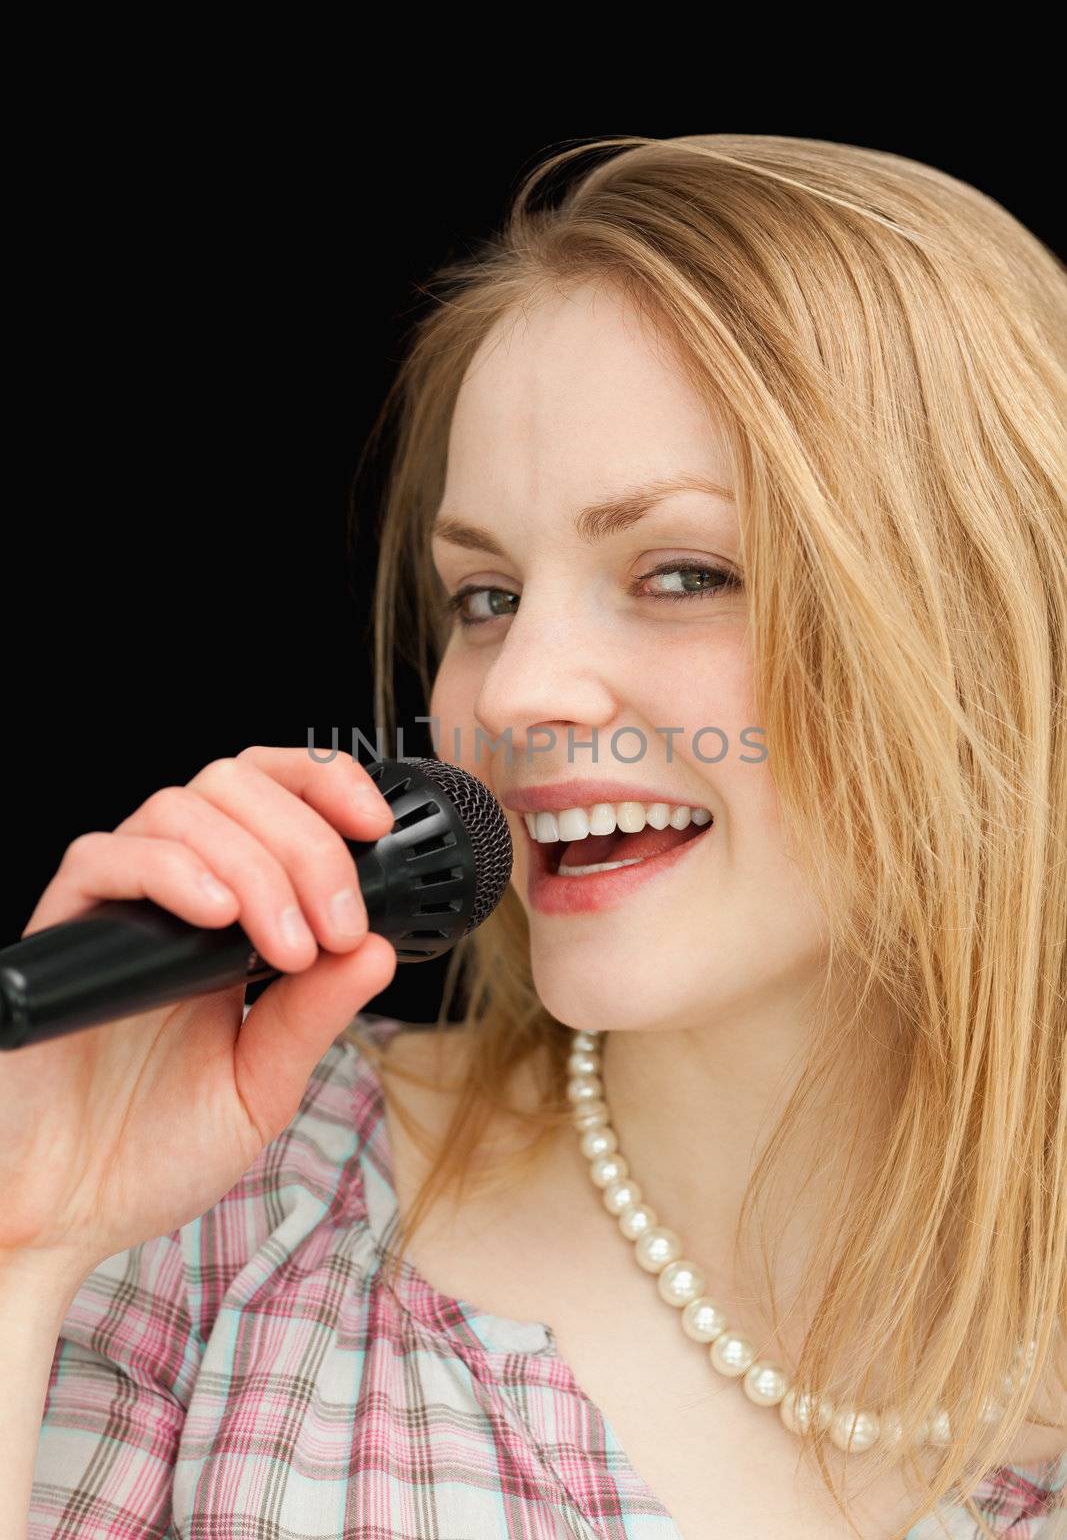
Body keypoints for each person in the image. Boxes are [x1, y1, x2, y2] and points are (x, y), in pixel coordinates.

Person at [6, 134, 1066, 1539]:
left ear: (1000, 632)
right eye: (487, 596)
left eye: (684, 572)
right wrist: (23, 1242)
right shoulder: (227, 1205)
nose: (511, 695)